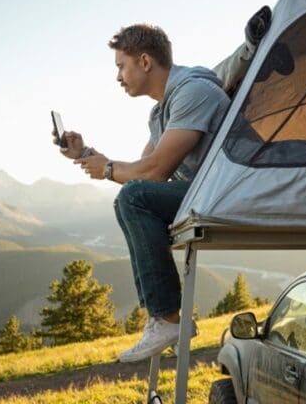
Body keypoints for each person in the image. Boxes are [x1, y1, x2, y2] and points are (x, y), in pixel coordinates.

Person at [53, 23, 231, 362]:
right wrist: (86, 154)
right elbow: (145, 169)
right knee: (132, 198)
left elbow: (154, 172)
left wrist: (107, 168)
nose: (118, 77)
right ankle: (165, 319)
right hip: (203, 191)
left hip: (225, 191)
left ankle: (166, 319)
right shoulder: (162, 110)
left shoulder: (194, 92)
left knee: (133, 197)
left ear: (145, 61)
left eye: (122, 66)